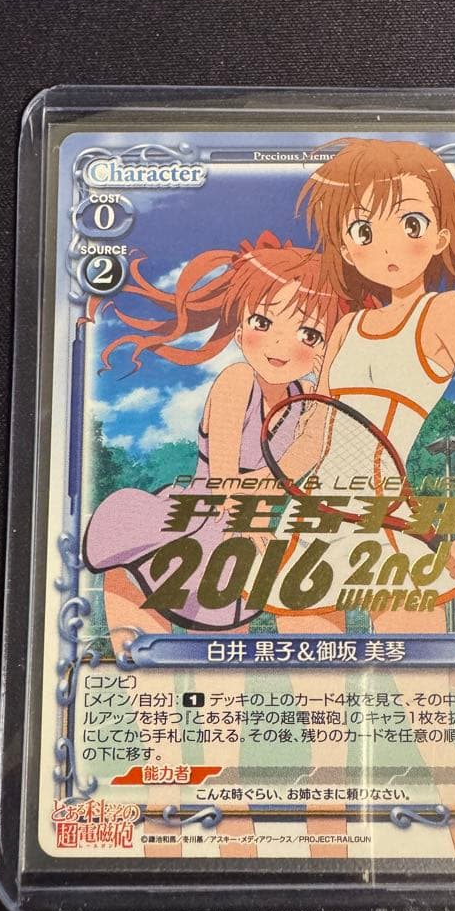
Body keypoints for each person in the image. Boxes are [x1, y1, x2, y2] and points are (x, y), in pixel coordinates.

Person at [266, 137, 455, 635]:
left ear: (440, 237)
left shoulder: (444, 312)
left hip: (391, 518)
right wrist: (236, 493)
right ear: (346, 247)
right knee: (313, 684)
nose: (385, 246)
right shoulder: (345, 328)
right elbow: (313, 440)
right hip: (311, 520)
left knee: (422, 682)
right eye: (364, 229)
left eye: (410, 224)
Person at [83, 231, 344, 635]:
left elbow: (305, 455)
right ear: (240, 331)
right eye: (262, 322)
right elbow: (224, 484)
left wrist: (326, 376)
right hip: (180, 528)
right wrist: (258, 501)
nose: (279, 343)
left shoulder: (306, 399)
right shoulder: (237, 380)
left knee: (222, 655)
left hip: (239, 540)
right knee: (147, 657)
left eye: (309, 334)